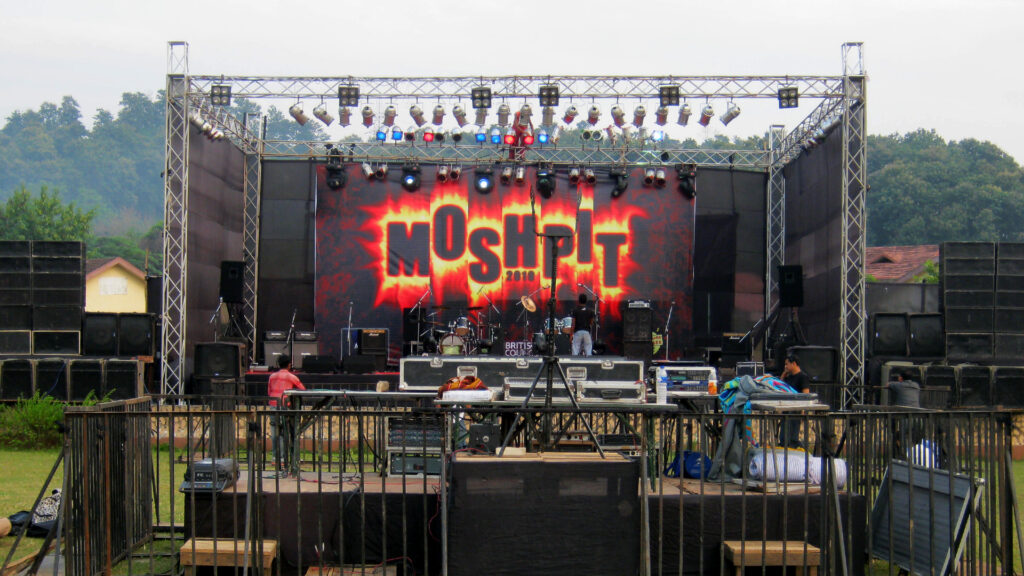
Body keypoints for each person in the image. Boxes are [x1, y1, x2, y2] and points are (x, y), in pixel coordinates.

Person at [268, 354, 305, 476]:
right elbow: (303, 390)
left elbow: (269, 392)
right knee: (285, 433)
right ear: (289, 365)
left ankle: (275, 458)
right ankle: (284, 459)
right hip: (285, 406)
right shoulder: (292, 377)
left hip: (273, 406)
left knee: (275, 432)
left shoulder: (272, 376)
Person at [779, 353, 810, 448]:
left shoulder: (802, 377)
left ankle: (794, 447)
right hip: (787, 408)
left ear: (794, 364)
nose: (785, 366)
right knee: (783, 436)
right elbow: (780, 387)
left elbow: (805, 394)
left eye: (787, 364)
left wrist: (803, 410)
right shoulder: (789, 377)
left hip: (796, 409)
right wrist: (783, 374)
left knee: (792, 434)